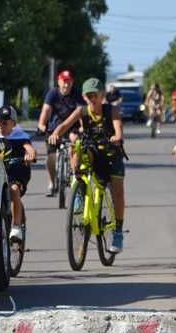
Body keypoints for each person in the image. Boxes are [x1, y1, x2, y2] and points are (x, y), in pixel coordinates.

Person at [49, 78, 126, 253]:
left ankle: (118, 232)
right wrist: (55, 134)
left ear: (102, 96)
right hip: (92, 151)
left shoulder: (111, 110)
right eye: (88, 95)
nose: (92, 98)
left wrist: (117, 136)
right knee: (76, 149)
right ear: (84, 97)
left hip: (111, 153)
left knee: (118, 191)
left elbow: (118, 126)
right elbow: (64, 124)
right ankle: (79, 188)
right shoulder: (81, 111)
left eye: (95, 95)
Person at [0, 106, 36, 242]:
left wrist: (30, 155)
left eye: (5, 122)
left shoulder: (20, 136)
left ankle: (16, 227)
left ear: (14, 124)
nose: (1, 126)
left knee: (14, 190)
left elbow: (30, 150)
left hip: (16, 172)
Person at [36, 70, 82, 196]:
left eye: (69, 82)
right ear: (59, 81)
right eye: (64, 81)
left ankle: (74, 178)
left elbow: (80, 112)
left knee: (74, 145)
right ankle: (52, 183)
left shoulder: (76, 93)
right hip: (53, 128)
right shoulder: (53, 93)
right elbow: (46, 110)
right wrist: (41, 124)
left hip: (72, 127)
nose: (66, 85)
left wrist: (82, 127)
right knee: (51, 156)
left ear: (72, 82)